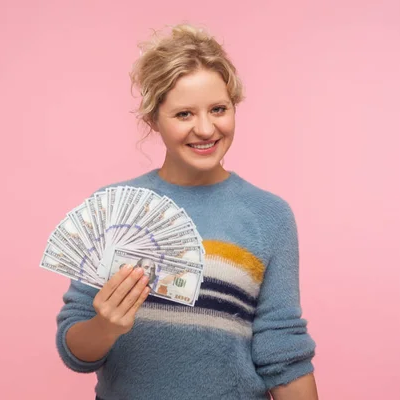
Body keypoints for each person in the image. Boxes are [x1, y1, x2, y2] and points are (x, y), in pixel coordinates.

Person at [56, 23, 318, 400]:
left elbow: (283, 349)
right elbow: (76, 351)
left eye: (218, 109)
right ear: (153, 119)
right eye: (184, 114)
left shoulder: (269, 215)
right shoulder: (114, 208)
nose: (206, 128)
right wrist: (106, 326)